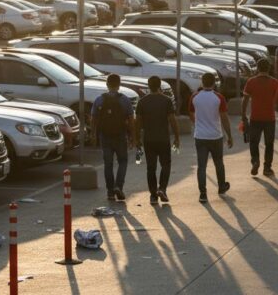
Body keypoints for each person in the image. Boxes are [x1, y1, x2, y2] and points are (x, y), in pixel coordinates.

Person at [189, 72, 234, 203]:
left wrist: (198, 123)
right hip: (215, 135)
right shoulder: (219, 98)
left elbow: (191, 113)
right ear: (214, 83)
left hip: (200, 136)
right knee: (218, 163)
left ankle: (203, 193)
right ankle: (221, 187)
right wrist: (229, 135)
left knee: (201, 166)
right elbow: (224, 118)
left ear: (202, 83)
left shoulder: (195, 97)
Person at [135, 76, 180, 204]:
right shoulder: (166, 101)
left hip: (148, 139)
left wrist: (136, 138)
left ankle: (153, 195)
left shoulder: (142, 102)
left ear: (148, 86)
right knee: (166, 164)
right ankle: (163, 189)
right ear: (159, 85)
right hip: (163, 138)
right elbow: (172, 120)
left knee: (151, 167)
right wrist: (177, 138)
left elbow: (137, 122)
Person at [92, 74, 136, 201]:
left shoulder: (99, 100)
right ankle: (119, 186)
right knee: (123, 161)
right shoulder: (125, 100)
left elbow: (93, 119)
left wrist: (93, 135)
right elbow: (131, 121)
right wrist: (133, 137)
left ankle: (110, 192)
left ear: (107, 84)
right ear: (119, 85)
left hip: (105, 136)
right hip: (120, 135)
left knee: (108, 164)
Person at [241, 58, 278, 177]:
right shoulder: (275, 82)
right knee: (269, 144)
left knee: (254, 142)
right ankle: (267, 168)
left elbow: (245, 100)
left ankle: (255, 161)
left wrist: (243, 115)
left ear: (257, 68)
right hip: (270, 118)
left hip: (255, 117)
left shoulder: (251, 82)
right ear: (268, 68)